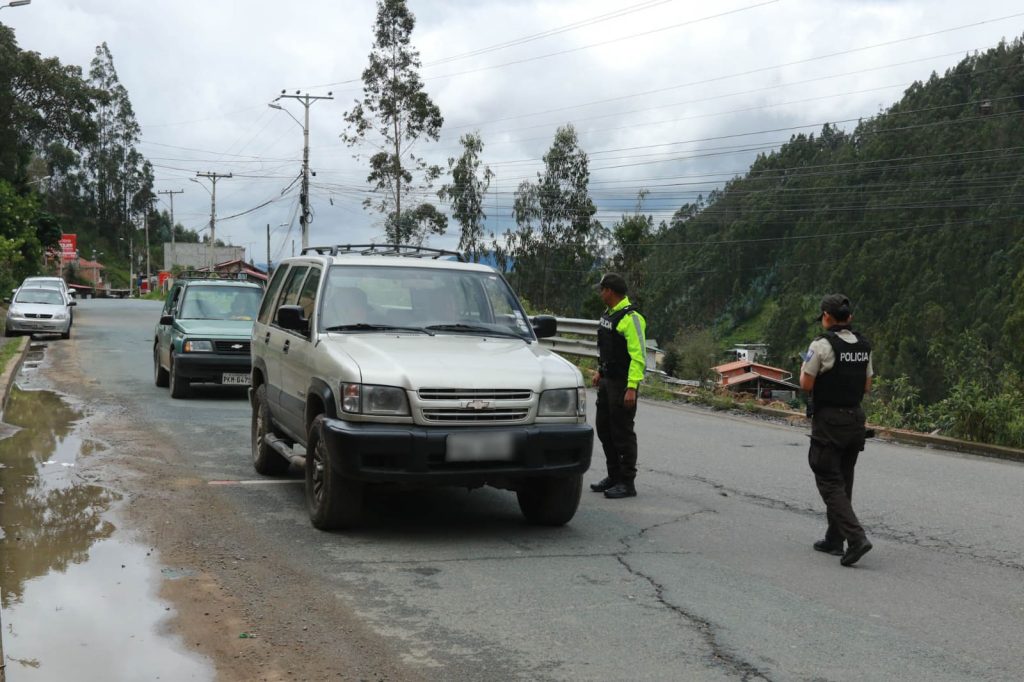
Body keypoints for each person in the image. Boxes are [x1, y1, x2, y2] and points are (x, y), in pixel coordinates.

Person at [800, 293, 874, 567]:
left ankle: (855, 538)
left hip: (829, 421)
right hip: (855, 419)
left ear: (826, 318)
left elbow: (806, 384)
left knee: (828, 479)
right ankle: (834, 539)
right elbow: (867, 386)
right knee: (844, 478)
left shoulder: (821, 346)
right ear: (850, 318)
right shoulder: (864, 345)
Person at [590, 273, 647, 499]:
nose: (600, 293)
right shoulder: (609, 315)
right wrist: (600, 371)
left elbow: (638, 356)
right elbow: (608, 349)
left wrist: (632, 386)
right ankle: (613, 476)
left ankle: (627, 482)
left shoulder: (631, 318)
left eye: (602, 289)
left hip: (623, 384)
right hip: (607, 381)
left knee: (622, 432)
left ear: (610, 291)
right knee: (604, 429)